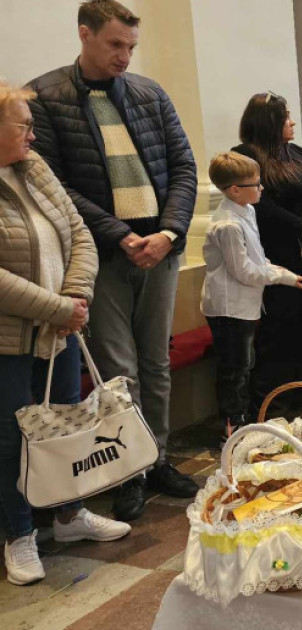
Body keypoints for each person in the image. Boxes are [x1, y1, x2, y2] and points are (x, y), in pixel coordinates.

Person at [26, 0, 200, 520]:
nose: (125, 56)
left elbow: (183, 166)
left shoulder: (150, 94)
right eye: (115, 45)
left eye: (131, 46)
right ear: (85, 35)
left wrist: (169, 232)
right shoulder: (47, 96)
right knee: (119, 370)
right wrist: (120, 235)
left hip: (160, 250)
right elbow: (55, 185)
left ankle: (158, 457)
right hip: (102, 255)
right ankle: (129, 471)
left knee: (156, 363)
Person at [0, 77, 131, 586]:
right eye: (23, 125)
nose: (32, 135)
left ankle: (70, 515)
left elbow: (79, 233)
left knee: (69, 423)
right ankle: (19, 534)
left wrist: (75, 298)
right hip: (12, 338)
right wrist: (58, 308)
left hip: (62, 327)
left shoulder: (34, 167)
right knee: (14, 437)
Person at [231, 92, 302, 413]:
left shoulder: (296, 152)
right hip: (280, 254)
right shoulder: (246, 156)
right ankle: (271, 402)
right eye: (285, 117)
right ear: (268, 122)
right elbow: (263, 207)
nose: (291, 122)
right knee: (280, 329)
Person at [201, 152, 302, 437]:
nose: (261, 188)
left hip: (244, 303)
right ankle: (233, 427)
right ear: (235, 190)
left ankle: (243, 420)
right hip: (229, 307)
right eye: (256, 184)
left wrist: (282, 272)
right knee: (235, 369)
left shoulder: (246, 211)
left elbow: (257, 259)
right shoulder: (228, 225)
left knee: (245, 364)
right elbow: (244, 270)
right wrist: (282, 276)